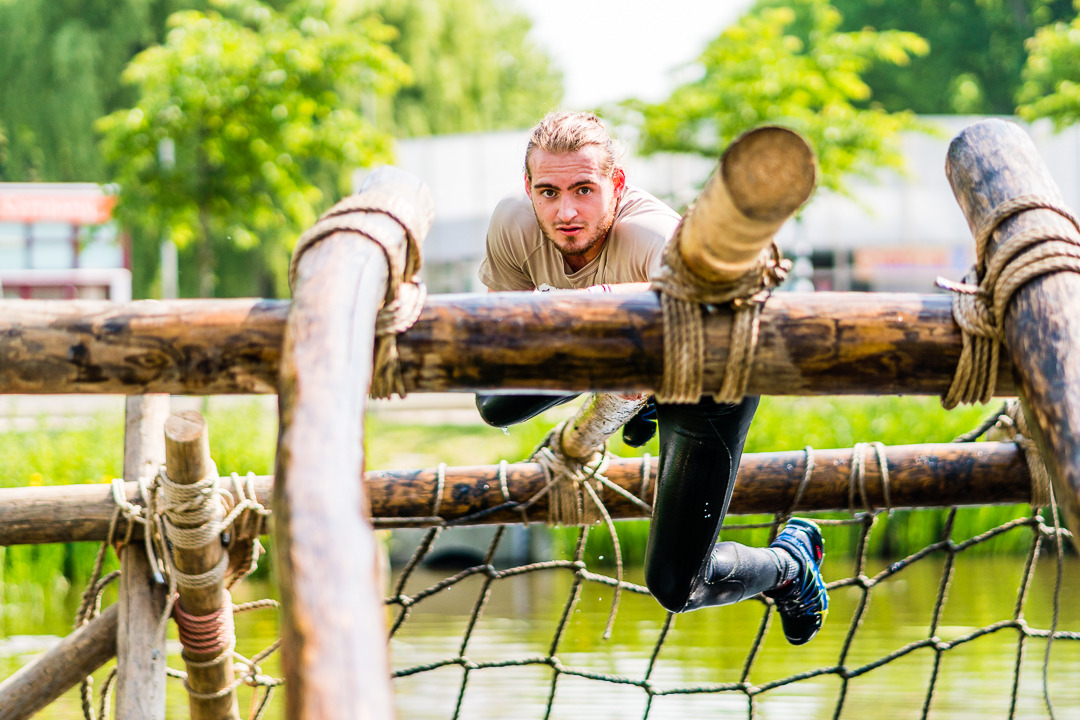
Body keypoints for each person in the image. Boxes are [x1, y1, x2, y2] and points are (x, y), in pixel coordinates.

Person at [475, 111, 828, 645]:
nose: (565, 210)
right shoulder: (512, 225)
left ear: (616, 184)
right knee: (494, 401)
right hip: (627, 357)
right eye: (547, 192)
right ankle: (643, 398)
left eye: (584, 190)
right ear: (528, 189)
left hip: (706, 379)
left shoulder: (652, 234)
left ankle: (790, 565)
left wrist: (594, 309)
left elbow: (708, 311)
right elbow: (501, 349)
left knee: (676, 585)